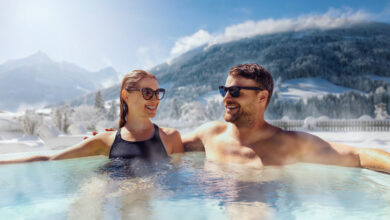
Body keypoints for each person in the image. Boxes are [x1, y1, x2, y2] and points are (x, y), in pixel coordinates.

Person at [183, 63, 390, 174]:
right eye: (224, 90)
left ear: (262, 97)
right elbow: (161, 141)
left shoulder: (288, 144)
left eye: (235, 91)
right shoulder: (209, 135)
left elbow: (359, 155)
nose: (226, 98)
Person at [0, 70, 183, 165]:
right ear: (126, 96)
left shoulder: (171, 137)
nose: (155, 99)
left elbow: (179, 181)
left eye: (158, 92)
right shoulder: (106, 140)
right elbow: (51, 159)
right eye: (147, 93)